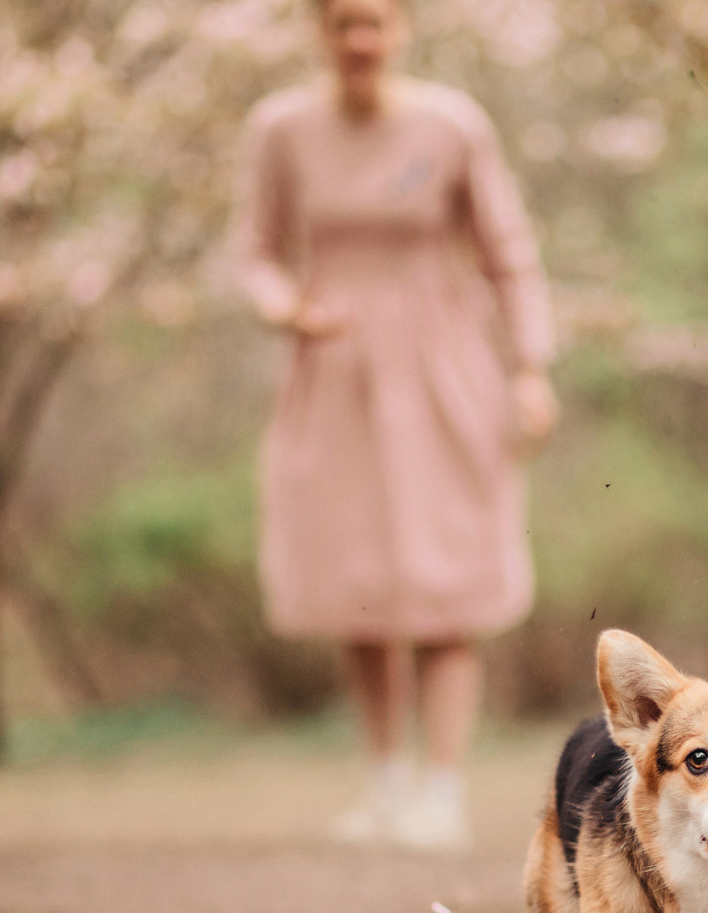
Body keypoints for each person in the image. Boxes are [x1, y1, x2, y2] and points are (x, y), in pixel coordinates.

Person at [231, 0, 558, 849]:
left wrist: (529, 367)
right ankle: (384, 783)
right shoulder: (282, 128)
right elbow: (257, 250)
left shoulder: (453, 124)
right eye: (343, 22)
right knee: (358, 586)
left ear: (403, 27)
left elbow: (508, 254)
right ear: (319, 31)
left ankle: (441, 789)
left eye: (375, 20)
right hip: (333, 372)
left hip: (444, 368)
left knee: (444, 583)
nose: (360, 39)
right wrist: (283, 305)